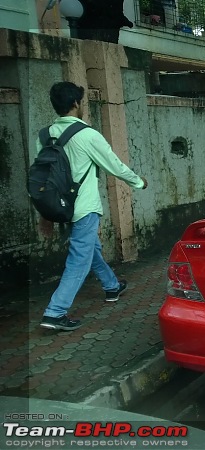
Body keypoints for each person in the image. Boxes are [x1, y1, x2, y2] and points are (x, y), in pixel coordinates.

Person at [39, 81, 148, 332]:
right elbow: (114, 166)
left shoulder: (45, 136)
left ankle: (112, 286)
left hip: (60, 208)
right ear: (76, 104)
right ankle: (55, 312)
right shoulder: (87, 135)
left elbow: (41, 179)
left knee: (91, 249)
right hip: (84, 208)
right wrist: (138, 182)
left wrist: (44, 214)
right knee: (80, 259)